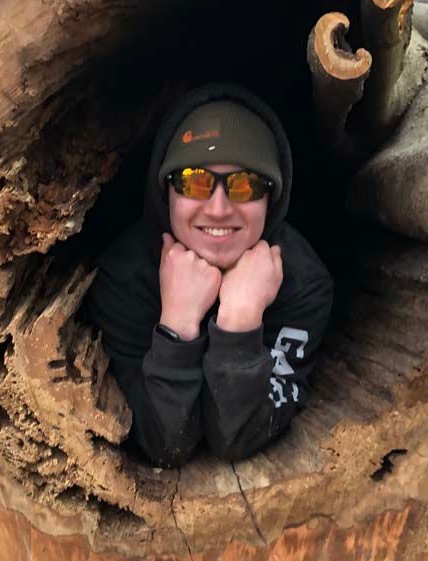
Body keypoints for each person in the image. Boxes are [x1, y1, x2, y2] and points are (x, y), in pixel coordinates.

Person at [87, 83, 333, 467]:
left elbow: (238, 437)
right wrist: (177, 325)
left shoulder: (302, 284)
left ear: (272, 196)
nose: (218, 209)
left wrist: (240, 322)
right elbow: (164, 442)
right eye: (193, 180)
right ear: (166, 189)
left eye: (245, 184)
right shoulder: (125, 278)